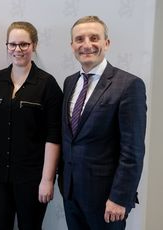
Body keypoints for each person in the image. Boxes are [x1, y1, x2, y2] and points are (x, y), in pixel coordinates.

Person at [60, 16, 147, 230]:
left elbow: (132, 150)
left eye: (94, 38)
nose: (87, 44)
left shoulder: (129, 85)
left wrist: (120, 197)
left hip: (107, 199)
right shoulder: (70, 82)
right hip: (71, 193)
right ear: (72, 45)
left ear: (106, 43)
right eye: (79, 39)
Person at [0, 21, 63, 230]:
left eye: (24, 44)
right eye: (12, 44)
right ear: (6, 46)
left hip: (32, 178)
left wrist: (47, 179)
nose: (18, 50)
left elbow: (54, 135)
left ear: (34, 45)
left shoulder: (47, 84)